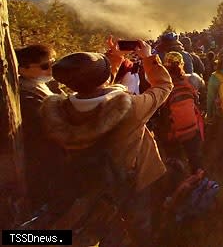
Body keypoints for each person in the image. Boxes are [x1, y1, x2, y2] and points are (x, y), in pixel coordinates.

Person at [40, 40, 173, 246]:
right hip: (132, 180)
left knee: (101, 228)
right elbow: (164, 86)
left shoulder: (62, 112)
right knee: (139, 226)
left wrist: (116, 58)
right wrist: (148, 59)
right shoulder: (130, 108)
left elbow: (93, 89)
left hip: (89, 180)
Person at [15, 44, 64, 210]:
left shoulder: (40, 85)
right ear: (22, 68)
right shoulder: (24, 95)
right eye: (45, 66)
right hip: (41, 163)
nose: (51, 70)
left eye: (52, 63)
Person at [159, 51, 206, 172]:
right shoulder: (192, 79)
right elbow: (202, 94)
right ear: (182, 64)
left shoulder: (161, 84)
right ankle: (200, 179)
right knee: (195, 158)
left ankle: (178, 180)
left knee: (175, 159)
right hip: (192, 127)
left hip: (173, 130)